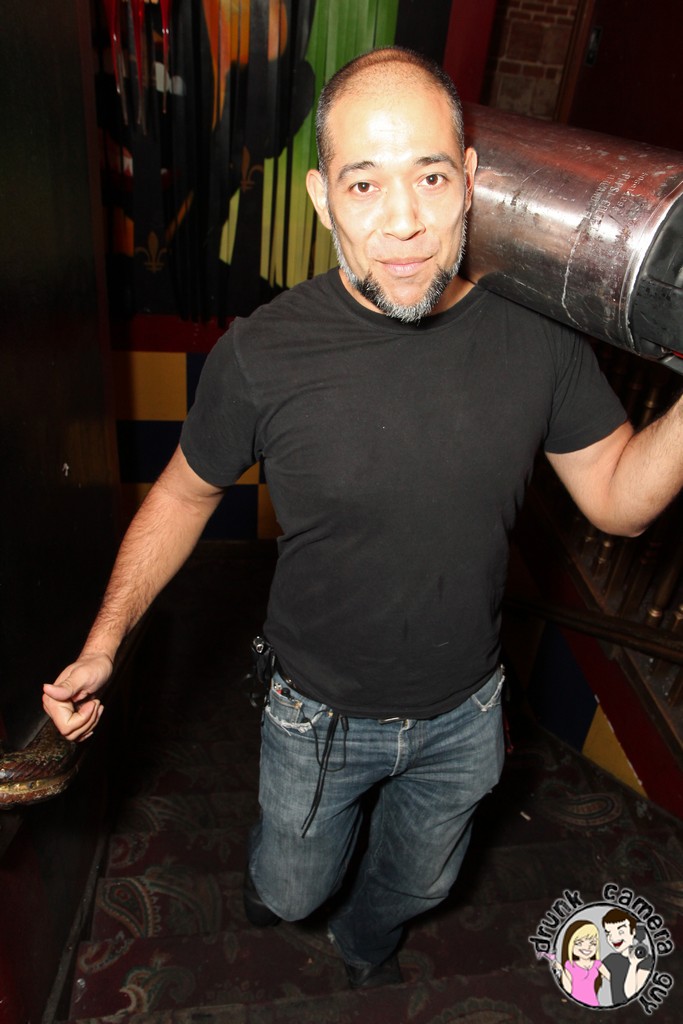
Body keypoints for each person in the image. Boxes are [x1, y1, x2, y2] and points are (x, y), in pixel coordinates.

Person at [43, 47, 683, 989]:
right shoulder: (263, 355)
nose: (404, 222)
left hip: (466, 712)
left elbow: (618, 500)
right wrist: (105, 643)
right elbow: (182, 493)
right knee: (290, 887)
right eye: (363, 183)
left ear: (469, 180)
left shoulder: (536, 338)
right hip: (315, 715)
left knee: (420, 883)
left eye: (430, 176)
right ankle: (285, 889)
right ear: (320, 198)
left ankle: (367, 944)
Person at [553, 920, 610, 1007]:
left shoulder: (597, 964)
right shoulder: (570, 965)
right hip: (574, 1005)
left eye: (593, 943)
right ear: (570, 944)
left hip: (593, 1004)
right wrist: (560, 970)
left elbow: (613, 979)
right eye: (579, 943)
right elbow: (568, 989)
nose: (587, 947)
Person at [601, 908, 653, 1004]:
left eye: (620, 932)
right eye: (608, 933)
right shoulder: (611, 959)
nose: (613, 938)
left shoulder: (646, 960)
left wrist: (633, 964)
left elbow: (631, 994)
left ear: (633, 931)